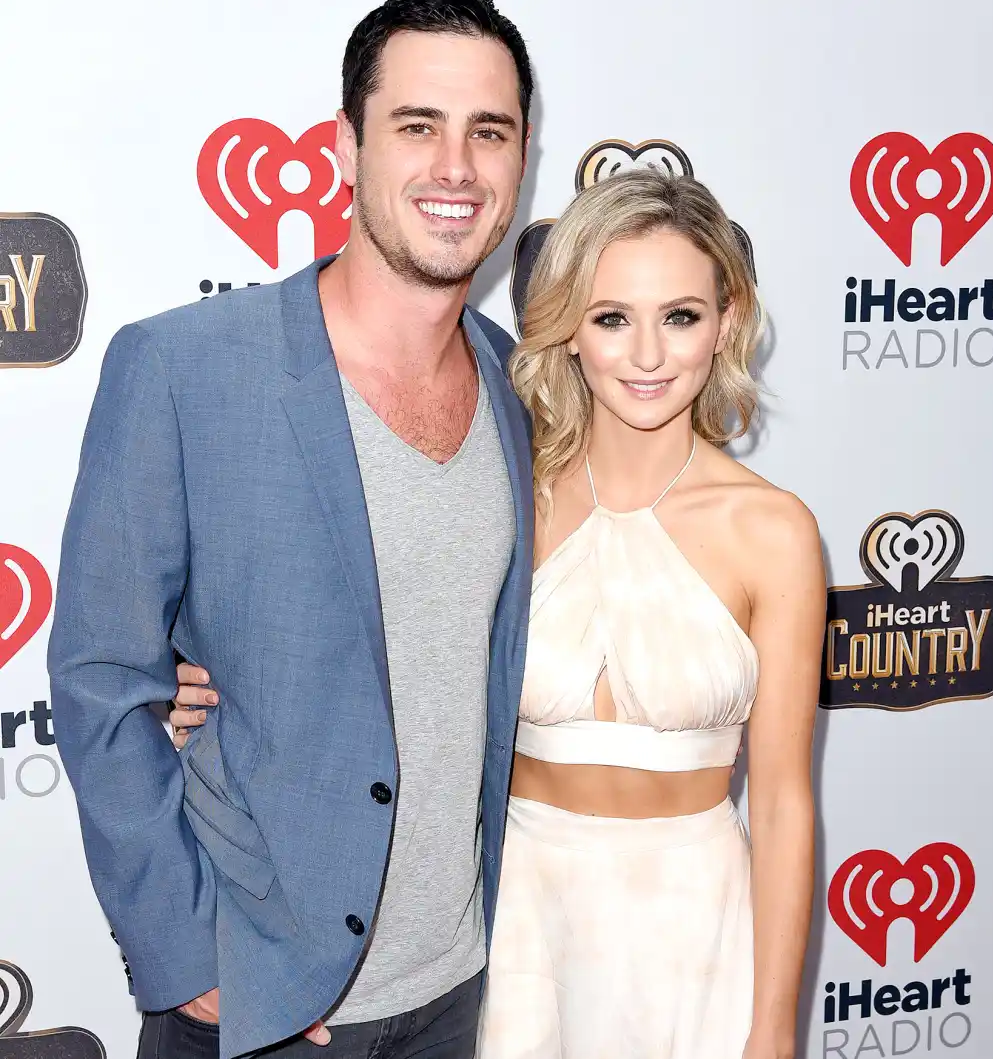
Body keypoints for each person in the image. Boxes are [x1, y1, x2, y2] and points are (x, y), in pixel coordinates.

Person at [173, 169, 825, 1058]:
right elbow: (369, 629)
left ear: (727, 323)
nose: (646, 355)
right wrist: (200, 683)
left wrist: (774, 1027)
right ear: (568, 330)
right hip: (517, 920)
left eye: (680, 315)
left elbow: (785, 801)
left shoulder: (773, 530)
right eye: (610, 318)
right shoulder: (508, 492)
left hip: (695, 926)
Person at [48, 0, 535, 1059]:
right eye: (417, 126)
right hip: (262, 1006)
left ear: (519, 161)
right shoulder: (182, 368)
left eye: (487, 133)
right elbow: (96, 678)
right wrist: (192, 959)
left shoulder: (521, 388)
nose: (454, 167)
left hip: (460, 989)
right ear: (345, 146)